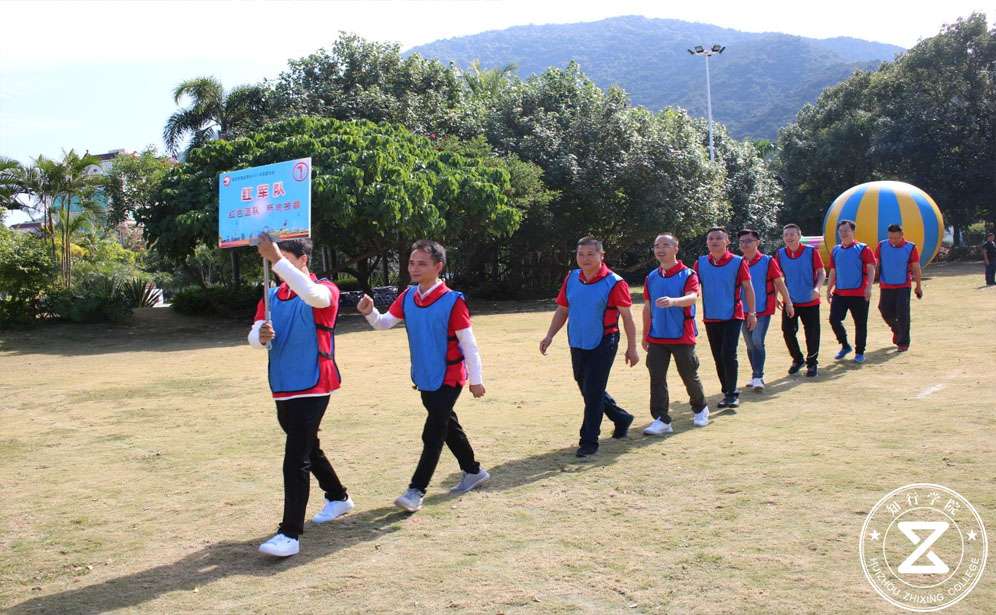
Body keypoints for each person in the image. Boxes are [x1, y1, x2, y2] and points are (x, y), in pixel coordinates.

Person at [357, 240, 489, 513]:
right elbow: (384, 324)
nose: (414, 268)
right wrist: (369, 312)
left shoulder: (453, 301)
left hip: (449, 377)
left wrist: (476, 380)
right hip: (424, 375)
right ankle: (473, 471)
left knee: (433, 431)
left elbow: (469, 344)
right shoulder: (408, 296)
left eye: (422, 264)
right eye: (411, 263)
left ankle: (416, 490)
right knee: (447, 425)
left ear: (438, 267)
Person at [248, 235, 353, 558]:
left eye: (283, 258)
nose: (275, 265)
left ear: (303, 260)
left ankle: (290, 533)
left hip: (315, 383)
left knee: (296, 455)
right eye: (271, 260)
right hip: (283, 383)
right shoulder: (271, 295)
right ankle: (338, 497)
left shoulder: (325, 289)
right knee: (308, 446)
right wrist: (259, 336)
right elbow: (254, 335)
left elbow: (312, 295)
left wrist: (276, 259)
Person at [540, 237, 639, 457]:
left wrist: (632, 348)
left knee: (593, 392)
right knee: (587, 388)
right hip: (577, 341)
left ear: (601, 256)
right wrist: (549, 336)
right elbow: (562, 310)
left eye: (590, 254)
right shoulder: (572, 278)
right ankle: (621, 417)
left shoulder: (615, 282)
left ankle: (589, 441)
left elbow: (627, 318)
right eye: (580, 254)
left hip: (604, 342)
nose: (584, 259)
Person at [641, 233, 709, 434]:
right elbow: (647, 308)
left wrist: (673, 301)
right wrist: (645, 335)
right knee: (657, 377)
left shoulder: (688, 274)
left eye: (665, 245)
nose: (660, 249)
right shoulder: (651, 277)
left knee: (688, 374)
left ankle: (701, 409)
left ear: (676, 248)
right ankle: (662, 419)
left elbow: (692, 297)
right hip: (657, 337)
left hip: (682, 335)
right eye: (656, 245)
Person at [693, 227, 757, 409]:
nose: (714, 241)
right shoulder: (701, 263)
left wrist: (751, 313)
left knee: (729, 353)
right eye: (710, 238)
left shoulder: (738, 262)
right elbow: (693, 288)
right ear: (707, 243)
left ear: (727, 241)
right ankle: (726, 389)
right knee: (718, 356)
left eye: (718, 238)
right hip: (711, 316)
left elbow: (748, 288)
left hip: (732, 315)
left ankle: (731, 393)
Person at [737, 229, 794, 391]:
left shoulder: (767, 261)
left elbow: (779, 282)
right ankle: (755, 373)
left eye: (748, 241)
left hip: (762, 309)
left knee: (757, 341)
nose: (745, 244)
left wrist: (788, 302)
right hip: (743, 310)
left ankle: (758, 376)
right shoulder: (738, 262)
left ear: (757, 242)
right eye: (742, 242)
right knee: (749, 344)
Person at [774, 224, 825, 378]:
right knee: (787, 332)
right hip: (791, 301)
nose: (789, 238)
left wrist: (817, 288)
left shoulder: (811, 251)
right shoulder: (781, 254)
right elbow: (777, 276)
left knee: (812, 333)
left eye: (792, 234)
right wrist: (776, 294)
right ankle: (797, 359)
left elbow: (821, 272)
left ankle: (812, 363)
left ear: (799, 235)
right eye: (786, 235)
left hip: (810, 301)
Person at [826, 220, 877, 363]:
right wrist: (829, 289)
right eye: (841, 231)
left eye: (846, 230)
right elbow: (833, 271)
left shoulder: (863, 249)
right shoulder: (835, 250)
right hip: (840, 293)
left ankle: (860, 352)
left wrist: (869, 287)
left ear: (852, 231)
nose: (843, 233)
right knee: (834, 319)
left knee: (860, 323)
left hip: (859, 294)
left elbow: (871, 268)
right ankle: (845, 345)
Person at [876, 224, 923, 352]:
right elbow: (877, 263)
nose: (893, 241)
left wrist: (918, 286)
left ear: (902, 235)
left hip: (903, 285)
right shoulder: (881, 246)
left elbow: (916, 268)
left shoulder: (910, 247)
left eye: (896, 238)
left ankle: (903, 342)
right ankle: (897, 329)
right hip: (886, 284)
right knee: (884, 309)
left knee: (903, 314)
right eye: (890, 238)